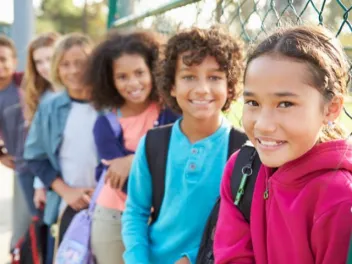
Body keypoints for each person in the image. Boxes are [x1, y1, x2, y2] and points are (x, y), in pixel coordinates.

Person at [214, 25, 352, 264]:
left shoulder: (339, 199)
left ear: (331, 108)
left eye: (285, 104)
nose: (263, 125)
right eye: (253, 102)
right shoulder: (242, 170)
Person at [121, 26, 247, 264]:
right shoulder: (153, 143)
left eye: (214, 77)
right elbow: (135, 213)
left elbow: (242, 229)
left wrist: (193, 257)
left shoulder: (243, 152)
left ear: (229, 86)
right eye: (189, 76)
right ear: (172, 86)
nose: (202, 89)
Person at [86, 30, 179, 264]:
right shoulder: (105, 124)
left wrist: (130, 160)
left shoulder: (169, 112)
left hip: (166, 216)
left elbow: (176, 156)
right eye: (122, 76)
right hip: (114, 215)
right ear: (110, 80)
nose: (133, 83)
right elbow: (124, 180)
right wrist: (145, 160)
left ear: (154, 71)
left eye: (140, 73)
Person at [23, 33, 97, 244]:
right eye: (65, 64)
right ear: (57, 68)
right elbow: (34, 156)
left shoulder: (110, 105)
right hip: (67, 206)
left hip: (107, 205)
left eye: (80, 63)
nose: (73, 70)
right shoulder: (49, 107)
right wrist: (67, 192)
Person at [21, 32, 60, 214]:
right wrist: (39, 185)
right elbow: (40, 149)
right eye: (38, 62)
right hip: (54, 183)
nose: (45, 67)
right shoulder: (43, 98)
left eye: (50, 59)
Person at [0, 34, 32, 252]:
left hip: (46, 160)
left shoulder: (26, 82)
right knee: (24, 217)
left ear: (14, 61)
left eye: (3, 58)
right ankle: (19, 252)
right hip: (22, 165)